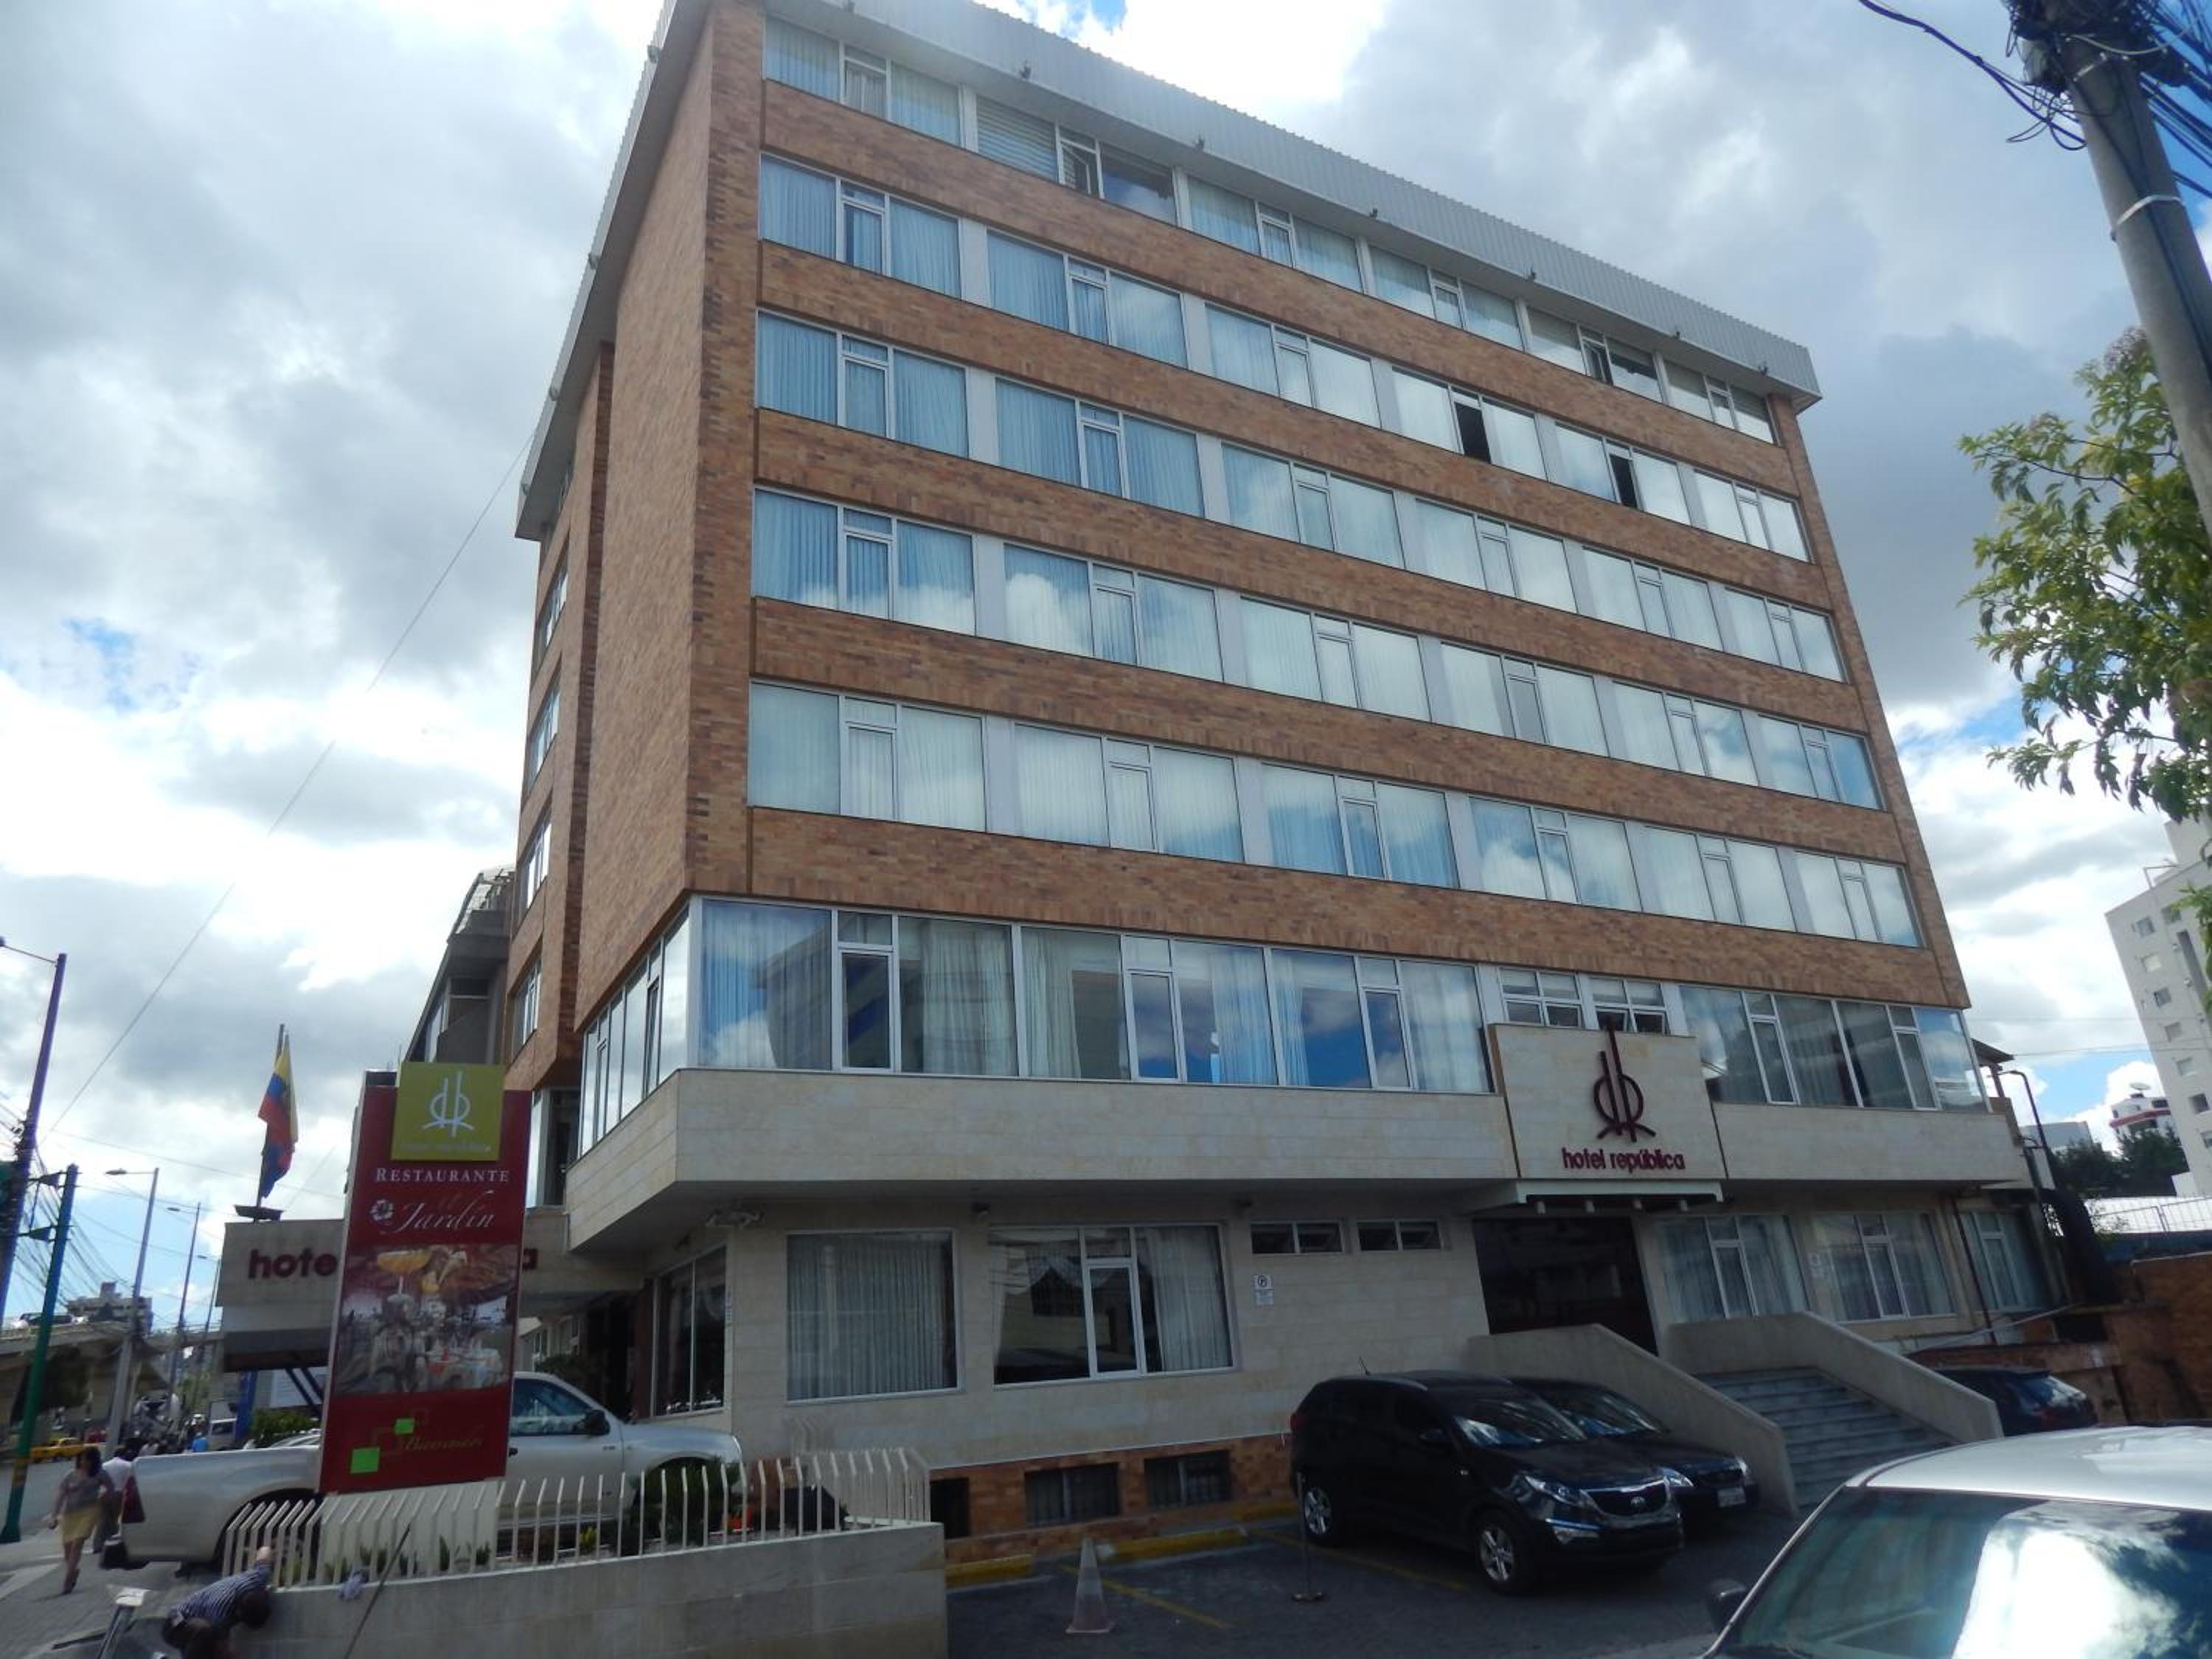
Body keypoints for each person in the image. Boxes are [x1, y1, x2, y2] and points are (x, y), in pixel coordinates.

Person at [162, 1545, 275, 1659]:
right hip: (175, 1624)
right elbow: (222, 1651)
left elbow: (265, 1550)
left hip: (195, 1623)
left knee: (206, 1638)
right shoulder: (221, 1612)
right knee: (205, 1633)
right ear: (238, 1610)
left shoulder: (259, 1576)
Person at [45, 1447, 114, 1593]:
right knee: (67, 1549)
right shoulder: (70, 1475)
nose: (83, 1462)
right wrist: (54, 1516)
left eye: (87, 1459)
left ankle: (68, 1581)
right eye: (81, 1459)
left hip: (89, 1512)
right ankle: (73, 1571)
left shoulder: (100, 1474)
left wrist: (105, 1500)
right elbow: (61, 1495)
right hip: (70, 1514)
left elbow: (110, 1488)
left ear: (93, 1461)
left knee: (77, 1544)